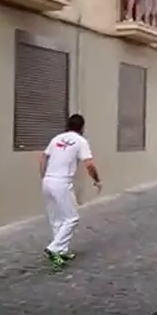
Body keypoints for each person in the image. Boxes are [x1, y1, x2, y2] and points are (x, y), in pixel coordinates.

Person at [39, 114, 102, 270]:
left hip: (47, 181)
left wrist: (44, 177)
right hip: (61, 182)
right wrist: (97, 180)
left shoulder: (56, 138)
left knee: (56, 220)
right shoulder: (81, 141)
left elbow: (42, 158)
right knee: (72, 218)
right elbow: (89, 164)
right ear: (82, 127)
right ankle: (54, 248)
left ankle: (61, 251)